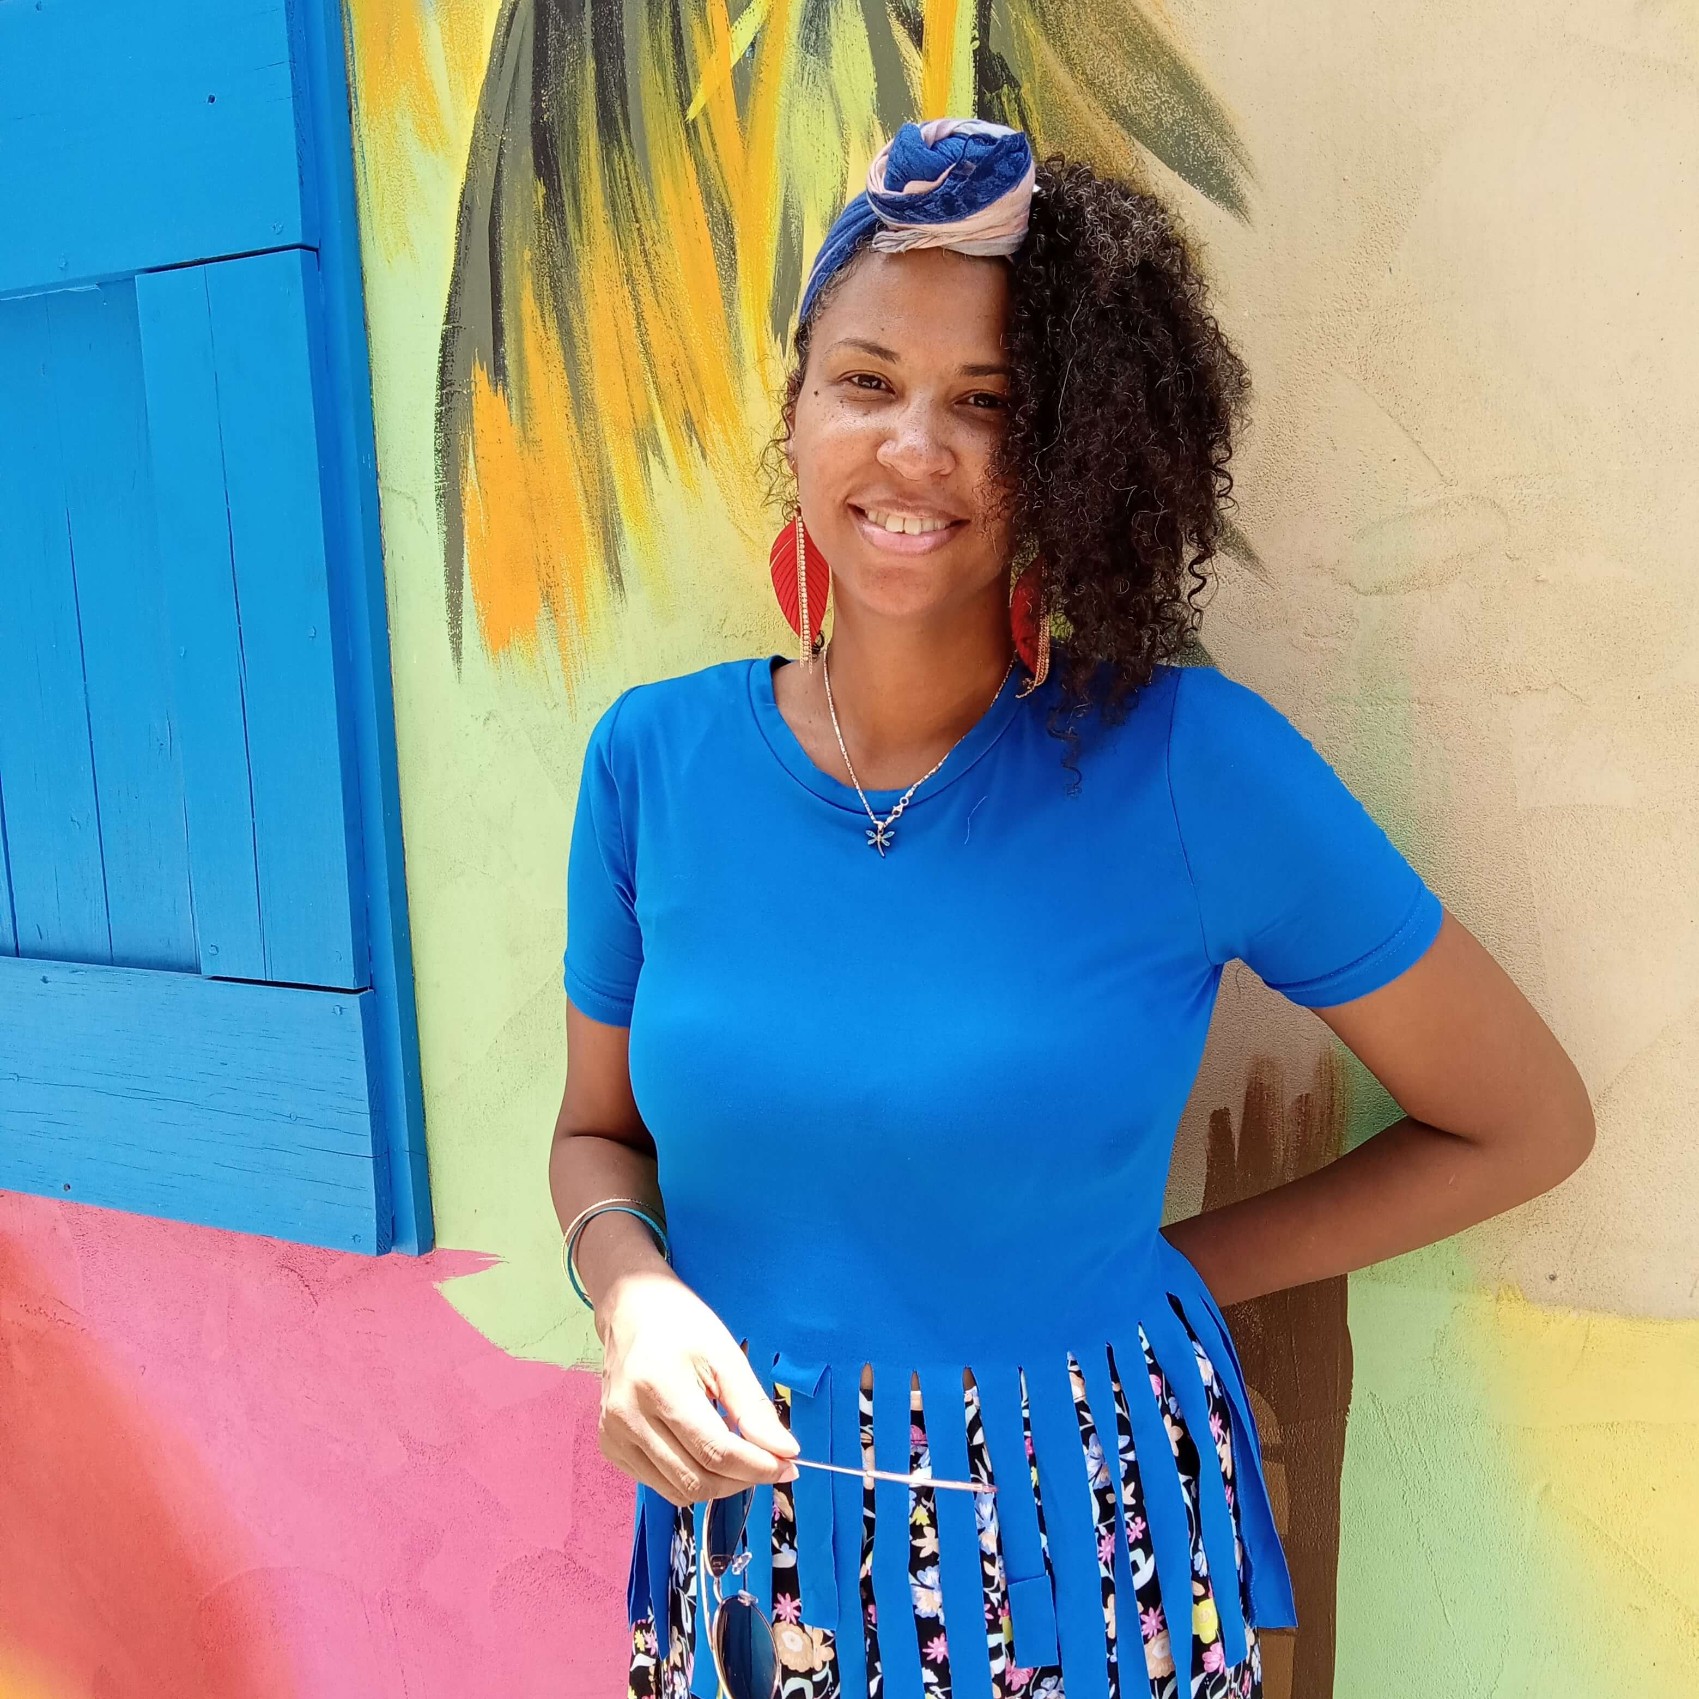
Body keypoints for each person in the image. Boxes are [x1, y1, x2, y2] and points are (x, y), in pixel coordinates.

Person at [550, 118, 1594, 1699]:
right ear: (798, 409)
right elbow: (596, 1135)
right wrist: (632, 1296)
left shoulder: (1188, 768)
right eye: (866, 380)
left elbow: (1521, 1120)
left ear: (1073, 451)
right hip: (749, 1560)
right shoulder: (653, 763)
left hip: (1078, 1560)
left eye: (989, 404)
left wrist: (1155, 1278)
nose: (914, 447)